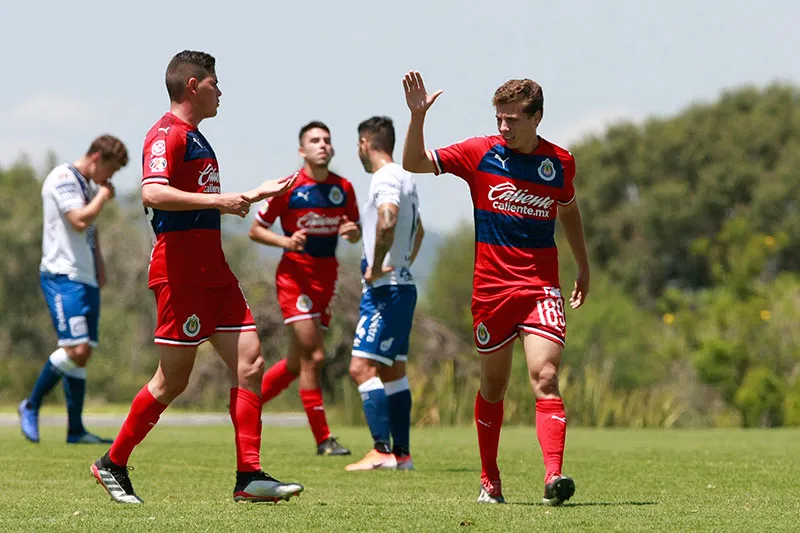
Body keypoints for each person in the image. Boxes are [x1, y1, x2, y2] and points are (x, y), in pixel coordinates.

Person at [90, 50, 303, 504]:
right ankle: (112, 463)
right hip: (179, 271)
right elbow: (152, 191)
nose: (221, 91)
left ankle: (249, 476)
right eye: (214, 83)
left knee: (251, 362)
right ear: (192, 85)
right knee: (172, 381)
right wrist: (223, 201)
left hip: (214, 271)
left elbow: (203, 198)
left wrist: (246, 196)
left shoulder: (199, 139)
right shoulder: (165, 134)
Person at [402, 71, 590, 505]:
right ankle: (490, 479)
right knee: (494, 388)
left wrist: (583, 266)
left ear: (537, 118)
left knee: (545, 376)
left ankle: (553, 478)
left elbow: (569, 212)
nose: (503, 128)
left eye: (512, 120)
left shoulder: (560, 163)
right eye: (499, 118)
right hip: (491, 292)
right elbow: (413, 162)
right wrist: (417, 118)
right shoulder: (478, 153)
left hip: (541, 287)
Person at [249, 121, 361, 456]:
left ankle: (244, 404)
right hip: (294, 278)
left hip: (327, 279)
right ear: (302, 151)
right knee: (314, 356)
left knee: (297, 364)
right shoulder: (289, 187)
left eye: (327, 140)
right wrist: (286, 240)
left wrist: (352, 233)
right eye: (314, 140)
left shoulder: (344, 188)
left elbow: (354, 229)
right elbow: (256, 230)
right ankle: (324, 439)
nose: (322, 145)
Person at [18, 135, 128, 445]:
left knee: (84, 353)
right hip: (62, 275)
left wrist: (99, 266)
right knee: (76, 348)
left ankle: (76, 430)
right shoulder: (64, 177)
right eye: (111, 169)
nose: (111, 178)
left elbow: (91, 232)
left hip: (85, 276)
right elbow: (79, 220)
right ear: (96, 158)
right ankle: (31, 404)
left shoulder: (89, 185)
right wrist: (103, 196)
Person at [345, 116, 424, 472]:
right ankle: (402, 455)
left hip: (384, 291)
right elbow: (417, 230)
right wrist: (400, 260)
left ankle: (380, 451)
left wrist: (377, 265)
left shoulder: (385, 177)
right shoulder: (406, 176)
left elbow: (388, 219)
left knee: (361, 367)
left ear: (365, 143)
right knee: (393, 372)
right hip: (403, 287)